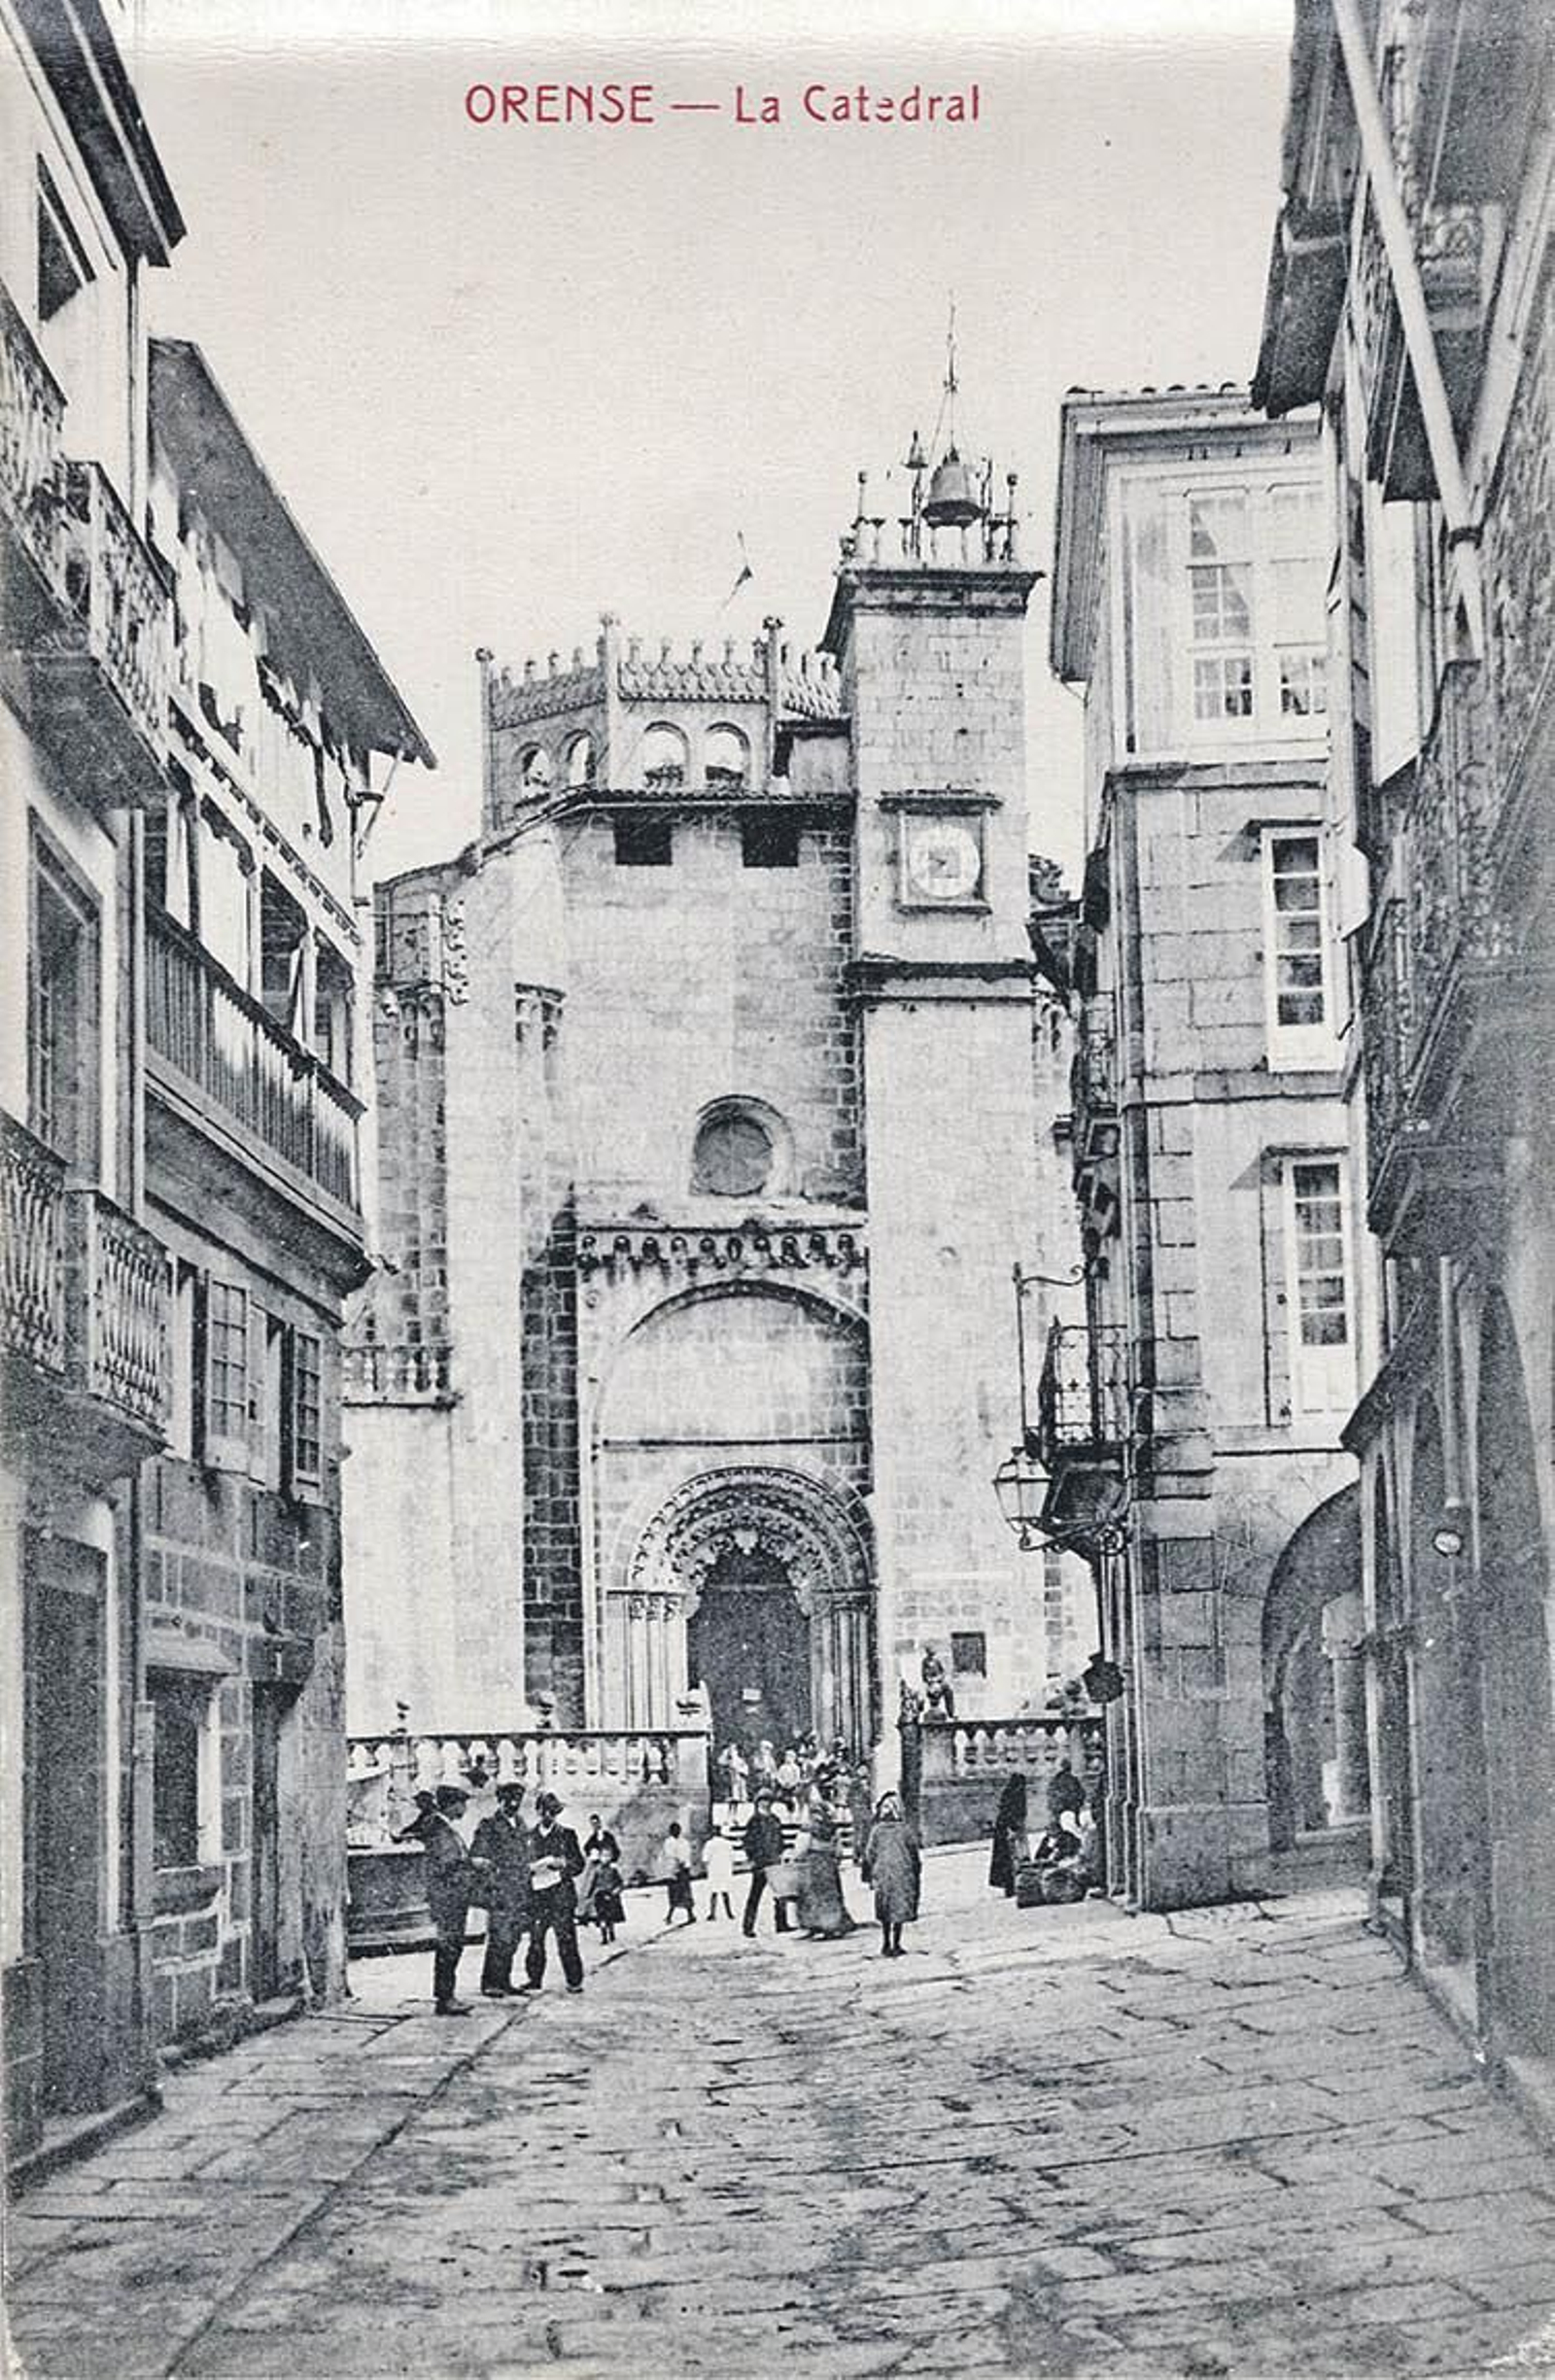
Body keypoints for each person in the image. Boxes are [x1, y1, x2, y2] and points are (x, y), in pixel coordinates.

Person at [397, 1780, 476, 2016]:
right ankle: (445, 1998)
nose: (465, 1809)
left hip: (452, 1894)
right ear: (452, 1805)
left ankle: (446, 1996)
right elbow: (447, 1862)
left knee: (452, 1945)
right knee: (449, 1945)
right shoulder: (439, 1827)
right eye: (462, 1804)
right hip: (448, 1895)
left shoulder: (442, 1825)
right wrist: (473, 1863)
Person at [470, 1780, 533, 1998]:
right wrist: (492, 1882)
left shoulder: (521, 1823)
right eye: (509, 1799)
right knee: (500, 1936)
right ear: (501, 1800)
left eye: (518, 1799)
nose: (514, 1803)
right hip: (500, 1889)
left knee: (514, 1936)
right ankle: (490, 1982)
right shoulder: (489, 1824)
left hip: (519, 1889)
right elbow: (478, 1855)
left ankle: (504, 1980)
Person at [524, 1791, 586, 1992]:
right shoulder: (528, 1837)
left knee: (566, 1939)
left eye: (553, 1812)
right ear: (538, 1811)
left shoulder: (567, 1835)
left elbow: (579, 1864)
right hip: (537, 1895)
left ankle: (574, 1980)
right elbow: (521, 1864)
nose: (548, 1816)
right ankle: (534, 1979)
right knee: (535, 1940)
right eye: (544, 1811)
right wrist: (529, 1868)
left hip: (561, 1894)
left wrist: (563, 1863)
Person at [862, 1791, 920, 1958]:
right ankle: (896, 1942)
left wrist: (872, 1871)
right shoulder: (905, 1830)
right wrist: (915, 1869)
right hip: (903, 1872)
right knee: (899, 1909)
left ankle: (886, 1942)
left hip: (883, 1873)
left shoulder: (877, 1831)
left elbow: (869, 1853)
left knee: (885, 1908)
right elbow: (913, 1851)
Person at [794, 1809, 855, 1939]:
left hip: (812, 1864)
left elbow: (801, 1849)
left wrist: (797, 1858)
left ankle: (814, 1925)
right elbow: (839, 1850)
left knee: (811, 1896)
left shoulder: (808, 1829)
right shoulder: (833, 1829)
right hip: (828, 1864)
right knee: (830, 1896)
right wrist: (835, 1858)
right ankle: (831, 1925)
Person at [741, 1791, 790, 1936]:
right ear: (758, 1803)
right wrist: (753, 1859)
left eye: (768, 1801)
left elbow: (780, 1839)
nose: (766, 1803)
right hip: (761, 1863)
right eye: (763, 1801)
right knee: (755, 1896)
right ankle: (748, 1927)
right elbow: (748, 1842)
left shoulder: (775, 1819)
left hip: (774, 1861)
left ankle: (781, 1923)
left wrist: (781, 1853)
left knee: (780, 1894)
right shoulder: (754, 1821)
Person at [989, 1773, 1028, 1898]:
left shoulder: (1008, 1794)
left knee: (1006, 1859)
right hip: (1010, 1830)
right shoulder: (1017, 1796)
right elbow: (1016, 1815)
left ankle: (1010, 1885)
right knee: (1013, 1858)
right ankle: (1013, 1885)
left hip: (1003, 1829)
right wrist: (1015, 1829)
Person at [662, 1821, 697, 1925]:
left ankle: (690, 1914)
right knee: (674, 1895)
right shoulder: (669, 1842)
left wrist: (685, 1865)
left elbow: (686, 1855)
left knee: (686, 1894)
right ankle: (670, 1916)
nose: (676, 1832)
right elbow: (671, 1855)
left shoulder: (684, 1842)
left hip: (683, 1870)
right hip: (674, 1871)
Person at [591, 1849, 625, 1945]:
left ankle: (611, 1932)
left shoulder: (613, 1870)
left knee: (610, 1917)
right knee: (602, 1917)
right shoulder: (597, 1870)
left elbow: (620, 1883)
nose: (605, 1859)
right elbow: (592, 1883)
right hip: (600, 1896)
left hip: (611, 1895)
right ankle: (604, 1937)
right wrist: (591, 1895)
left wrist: (616, 1891)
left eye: (607, 1856)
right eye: (603, 1856)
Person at [702, 1826, 736, 1919]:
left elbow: (705, 1859)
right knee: (725, 1892)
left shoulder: (709, 1844)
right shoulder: (727, 1844)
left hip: (714, 1870)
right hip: (725, 1870)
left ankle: (712, 1914)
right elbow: (733, 1858)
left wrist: (706, 1869)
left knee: (714, 1892)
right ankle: (729, 1913)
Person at [1047, 1759, 1088, 1828]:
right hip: (1067, 1805)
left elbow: (1051, 1792)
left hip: (1065, 1805)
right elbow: (1081, 1792)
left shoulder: (1057, 1779)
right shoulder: (1070, 1779)